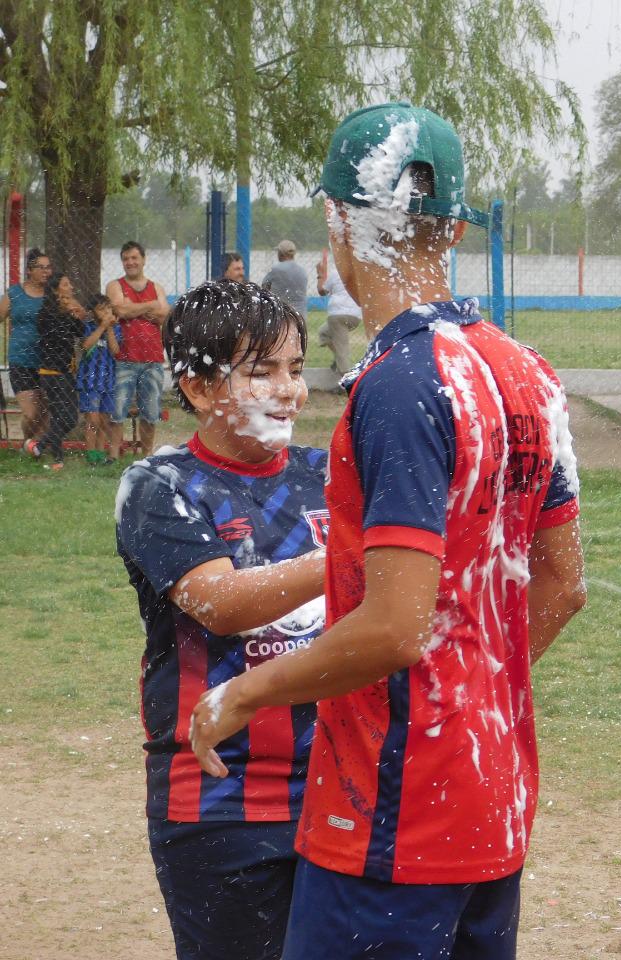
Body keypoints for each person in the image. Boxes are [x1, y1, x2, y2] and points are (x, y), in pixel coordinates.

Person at [188, 101, 587, 960]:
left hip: (390, 814)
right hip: (490, 795)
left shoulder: (400, 383)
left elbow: (396, 628)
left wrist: (244, 695)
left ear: (338, 222)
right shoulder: (528, 370)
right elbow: (563, 585)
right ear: (455, 228)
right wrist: (469, 699)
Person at [115, 280, 328, 960]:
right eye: (261, 371)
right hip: (220, 800)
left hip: (340, 786)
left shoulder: (331, 476)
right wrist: (358, 554)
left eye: (295, 367)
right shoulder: (161, 485)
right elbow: (222, 603)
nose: (288, 390)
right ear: (200, 388)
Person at [107, 240, 170, 460]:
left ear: (143, 259)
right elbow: (120, 310)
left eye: (134, 258)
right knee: (117, 411)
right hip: (124, 358)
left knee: (150, 413)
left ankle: (147, 457)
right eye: (126, 259)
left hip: (152, 359)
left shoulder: (156, 287)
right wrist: (150, 306)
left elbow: (165, 316)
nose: (130, 262)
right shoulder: (115, 285)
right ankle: (113, 456)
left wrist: (133, 308)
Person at [24, 272, 85, 470]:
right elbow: (55, 338)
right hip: (53, 374)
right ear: (55, 290)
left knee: (59, 418)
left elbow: (79, 332)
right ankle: (38, 445)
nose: (71, 287)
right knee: (69, 419)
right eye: (66, 284)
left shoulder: (64, 311)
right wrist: (66, 312)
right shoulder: (46, 313)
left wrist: (76, 315)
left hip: (64, 373)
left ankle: (57, 460)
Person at [0, 248, 53, 440]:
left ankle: (36, 449)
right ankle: (28, 443)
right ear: (29, 270)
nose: (46, 271)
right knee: (31, 414)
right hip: (21, 360)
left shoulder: (53, 294)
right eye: (41, 267)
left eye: (48, 267)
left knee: (45, 411)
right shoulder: (14, 293)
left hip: (48, 360)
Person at [77, 293, 121, 465]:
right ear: (93, 312)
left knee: (104, 420)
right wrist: (102, 326)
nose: (106, 312)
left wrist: (109, 328)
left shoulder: (115, 328)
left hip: (108, 381)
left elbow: (115, 351)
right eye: (101, 309)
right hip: (90, 381)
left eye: (108, 308)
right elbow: (86, 345)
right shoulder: (88, 327)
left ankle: (100, 452)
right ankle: (91, 453)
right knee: (93, 419)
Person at [315, 249, 361, 375]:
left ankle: (345, 379)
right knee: (324, 333)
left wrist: (320, 274)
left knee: (342, 351)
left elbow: (321, 291)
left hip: (337, 315)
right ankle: (338, 358)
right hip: (355, 316)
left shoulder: (336, 273)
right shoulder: (358, 273)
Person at [261, 240, 308, 319]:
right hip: (300, 315)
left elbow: (264, 287)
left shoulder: (276, 269)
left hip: (282, 314)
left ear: (281, 254)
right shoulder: (302, 271)